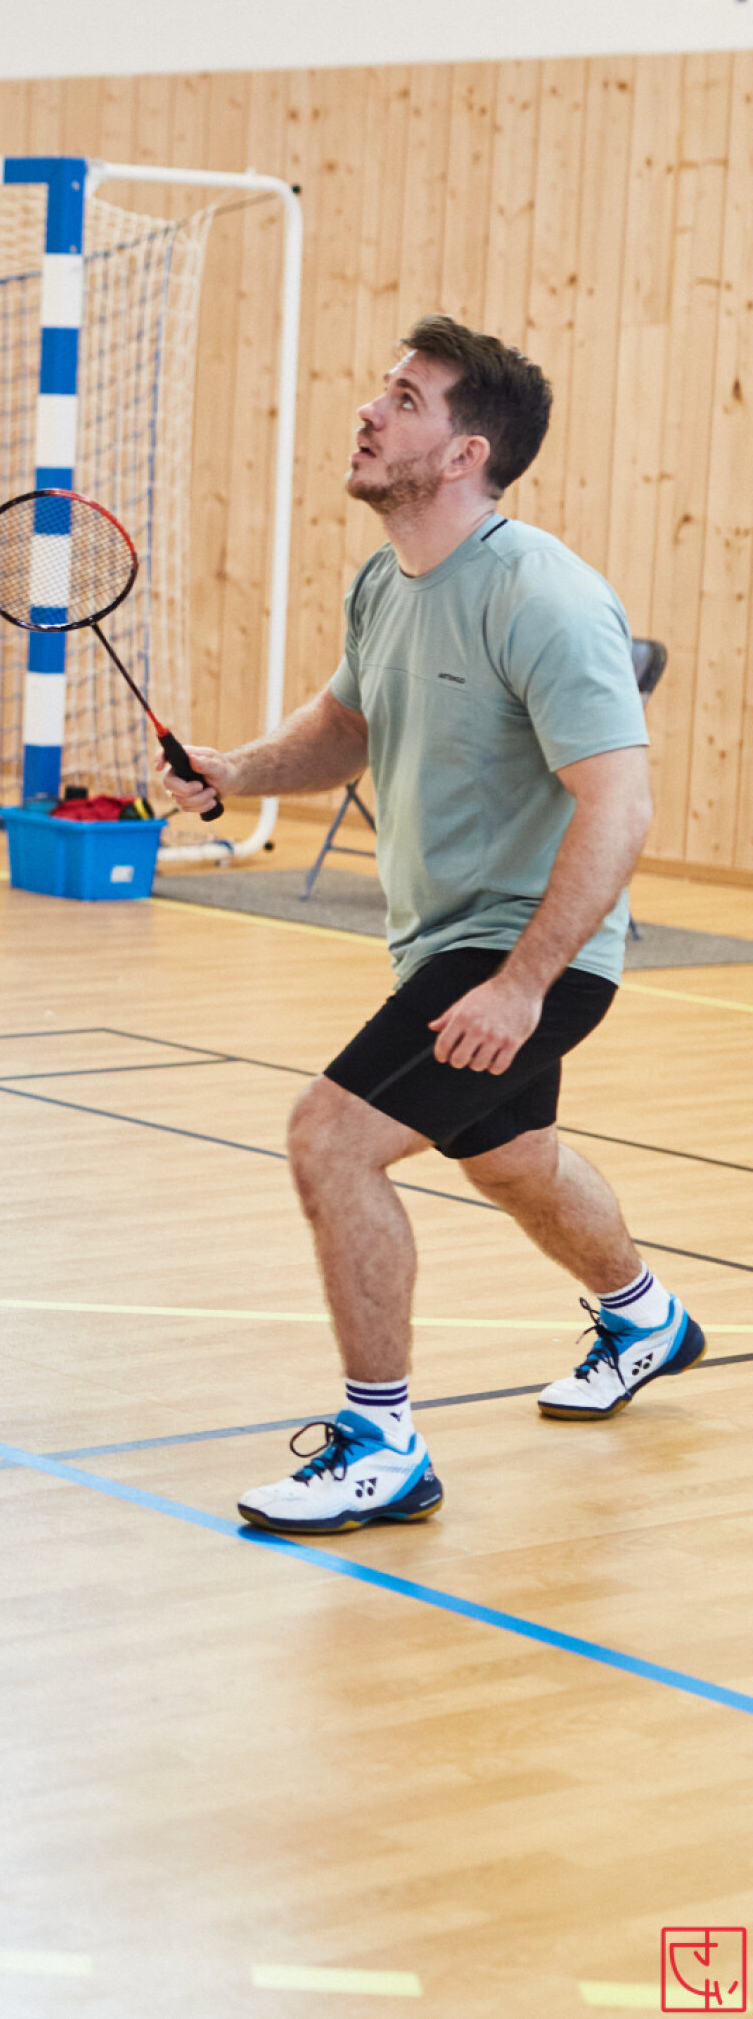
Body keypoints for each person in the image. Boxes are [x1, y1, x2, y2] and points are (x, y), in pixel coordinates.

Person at [157, 315, 701, 1536]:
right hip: (447, 938)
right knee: (510, 1159)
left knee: (332, 1140)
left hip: (527, 947)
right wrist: (234, 770)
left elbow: (620, 804)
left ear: (465, 454)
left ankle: (383, 1444)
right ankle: (644, 1316)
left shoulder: (544, 596)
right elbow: (348, 726)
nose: (370, 409)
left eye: (406, 398)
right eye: (382, 389)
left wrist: (522, 983)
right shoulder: (386, 581)